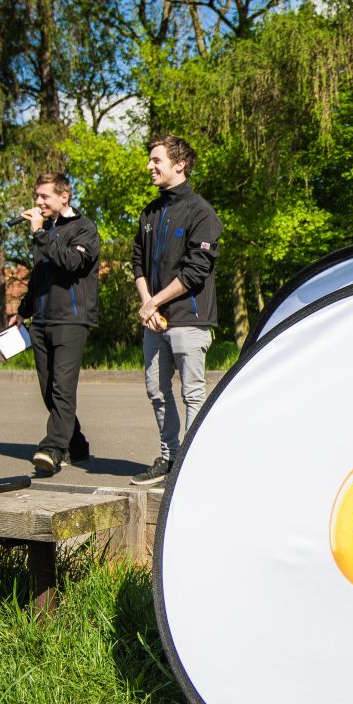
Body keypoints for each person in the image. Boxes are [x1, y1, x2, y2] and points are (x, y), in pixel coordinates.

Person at [129, 134, 222, 486]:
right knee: (156, 389)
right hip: (154, 319)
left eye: (157, 160)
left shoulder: (202, 212)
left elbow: (196, 271)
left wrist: (155, 301)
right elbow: (137, 262)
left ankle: (191, 465)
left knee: (192, 393)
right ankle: (169, 458)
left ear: (179, 164)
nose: (149, 166)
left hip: (190, 319)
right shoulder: (150, 212)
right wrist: (147, 304)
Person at [8, 172, 100, 477]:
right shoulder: (46, 232)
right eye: (37, 196)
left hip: (71, 321)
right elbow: (40, 276)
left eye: (44, 196)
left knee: (62, 388)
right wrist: (23, 311)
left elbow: (72, 263)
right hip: (42, 320)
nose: (38, 201)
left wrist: (40, 234)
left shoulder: (84, 228)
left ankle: (52, 448)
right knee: (48, 389)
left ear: (64, 196)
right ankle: (77, 444)